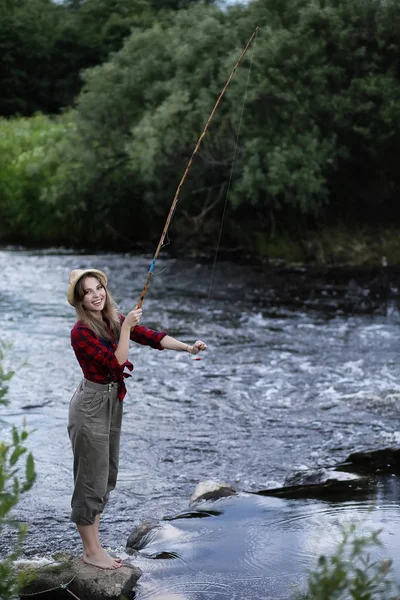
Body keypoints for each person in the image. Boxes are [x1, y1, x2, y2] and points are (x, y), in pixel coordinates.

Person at [66, 268, 207, 569]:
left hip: (111, 402)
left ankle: (95, 547)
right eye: (88, 291)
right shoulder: (80, 332)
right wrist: (126, 327)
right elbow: (116, 362)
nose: (96, 294)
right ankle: (90, 552)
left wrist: (187, 347)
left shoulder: (111, 320)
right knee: (90, 478)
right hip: (90, 405)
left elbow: (152, 337)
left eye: (99, 287)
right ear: (80, 300)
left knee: (106, 476)